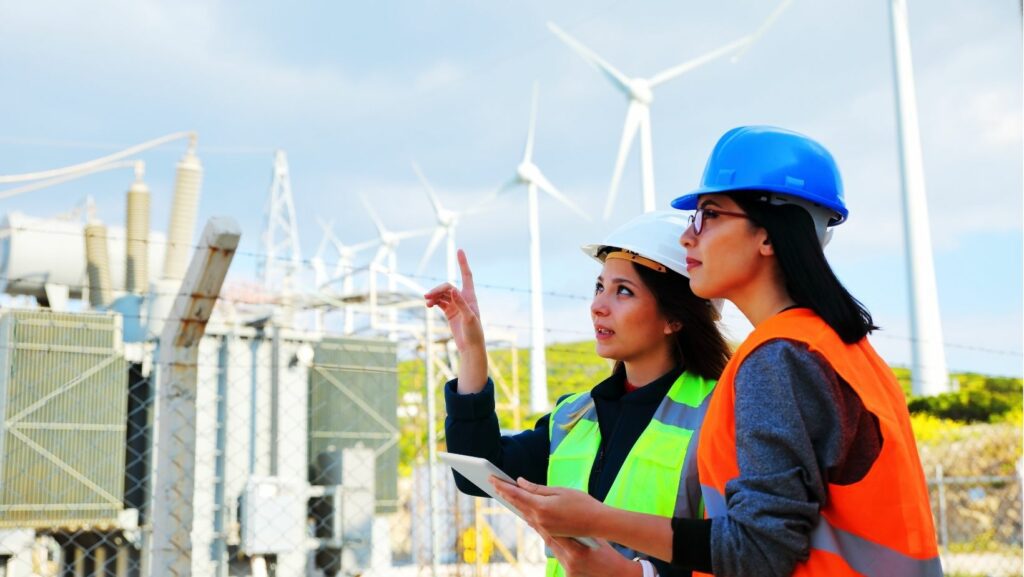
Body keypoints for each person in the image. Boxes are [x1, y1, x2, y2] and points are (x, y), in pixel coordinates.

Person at [493, 126, 943, 577]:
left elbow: (760, 550)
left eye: (709, 214)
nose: (689, 237)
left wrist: (597, 519)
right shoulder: (839, 348)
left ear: (769, 236)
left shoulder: (779, 359)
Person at [425, 210, 732, 577]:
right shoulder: (573, 416)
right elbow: (477, 471)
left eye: (624, 291)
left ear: (674, 318)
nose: (598, 306)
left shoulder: (721, 412)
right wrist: (472, 352)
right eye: (600, 287)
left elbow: (738, 551)